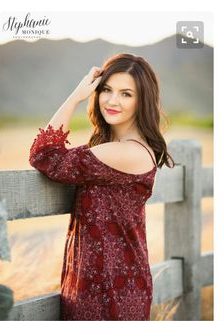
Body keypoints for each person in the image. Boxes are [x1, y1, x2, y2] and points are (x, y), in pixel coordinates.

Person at [29, 53, 174, 321]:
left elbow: (44, 154)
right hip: (113, 282)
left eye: (126, 94)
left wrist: (75, 95)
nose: (112, 100)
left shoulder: (123, 153)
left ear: (142, 101)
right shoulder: (124, 150)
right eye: (106, 89)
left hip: (108, 289)